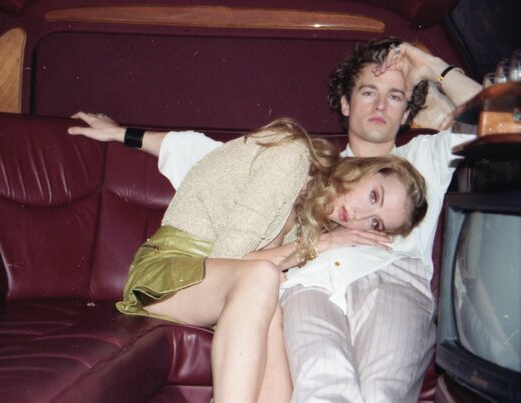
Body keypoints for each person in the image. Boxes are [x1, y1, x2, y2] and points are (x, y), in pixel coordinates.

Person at [69, 37, 482, 401]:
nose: (379, 105)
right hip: (304, 288)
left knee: (377, 393)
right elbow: (205, 155)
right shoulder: (315, 168)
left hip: (383, 284)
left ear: (407, 112)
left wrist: (430, 66)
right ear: (345, 103)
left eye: (394, 97)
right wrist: (122, 134)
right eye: (368, 91)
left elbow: (504, 119)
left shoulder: (423, 158)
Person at [69, 116, 428, 403]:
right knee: (265, 276)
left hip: (218, 292)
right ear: (364, 169)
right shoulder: (291, 157)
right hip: (170, 271)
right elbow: (230, 260)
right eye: (374, 196)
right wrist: (319, 245)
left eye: (375, 224)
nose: (361, 216)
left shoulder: (310, 216)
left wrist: (314, 244)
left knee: (277, 300)